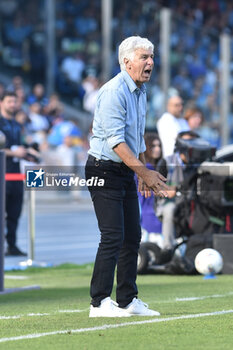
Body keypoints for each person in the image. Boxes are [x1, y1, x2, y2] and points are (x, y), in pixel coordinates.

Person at [85, 36, 168, 318]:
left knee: (132, 235)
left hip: (124, 170)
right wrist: (143, 171)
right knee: (112, 235)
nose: (150, 63)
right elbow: (116, 142)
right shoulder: (113, 92)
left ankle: (127, 300)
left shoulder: (140, 90)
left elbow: (138, 138)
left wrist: (142, 172)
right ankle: (98, 303)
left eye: (151, 57)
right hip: (103, 168)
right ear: (126, 61)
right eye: (144, 57)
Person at [0, 91, 27, 256]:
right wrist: (14, 153)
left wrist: (30, 151)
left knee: (14, 212)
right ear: (2, 103)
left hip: (16, 174)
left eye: (15, 102)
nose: (13, 105)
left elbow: (20, 146)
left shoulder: (17, 124)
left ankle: (12, 245)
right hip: (3, 173)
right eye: (9, 101)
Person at [138, 133, 163, 236]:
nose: (157, 149)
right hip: (148, 211)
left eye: (159, 146)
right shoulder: (147, 168)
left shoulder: (154, 166)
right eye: (153, 146)